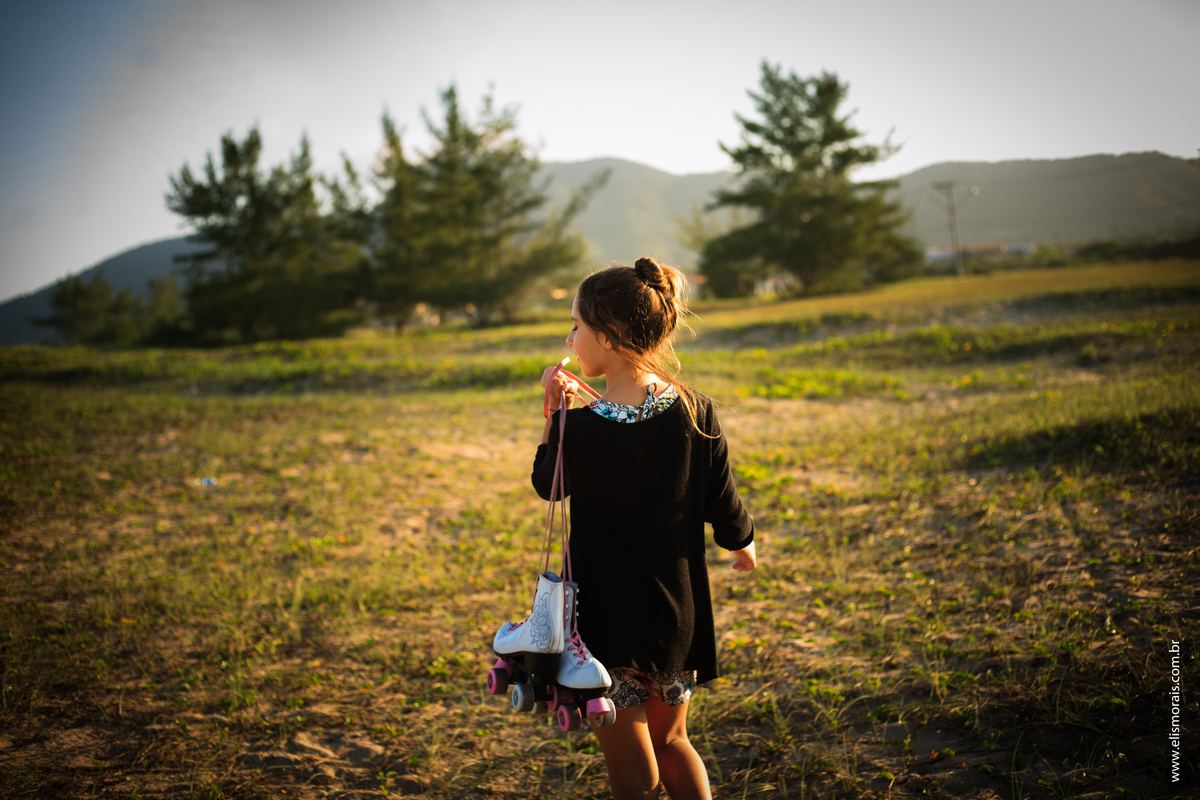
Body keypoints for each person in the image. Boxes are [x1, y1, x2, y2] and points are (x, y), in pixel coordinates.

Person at [532, 257, 757, 800]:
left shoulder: (579, 426)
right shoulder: (696, 411)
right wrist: (742, 543)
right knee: (675, 741)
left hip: (607, 622)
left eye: (577, 326)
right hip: (675, 614)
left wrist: (552, 413)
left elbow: (548, 484)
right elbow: (721, 499)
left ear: (608, 337)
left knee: (630, 758)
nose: (570, 337)